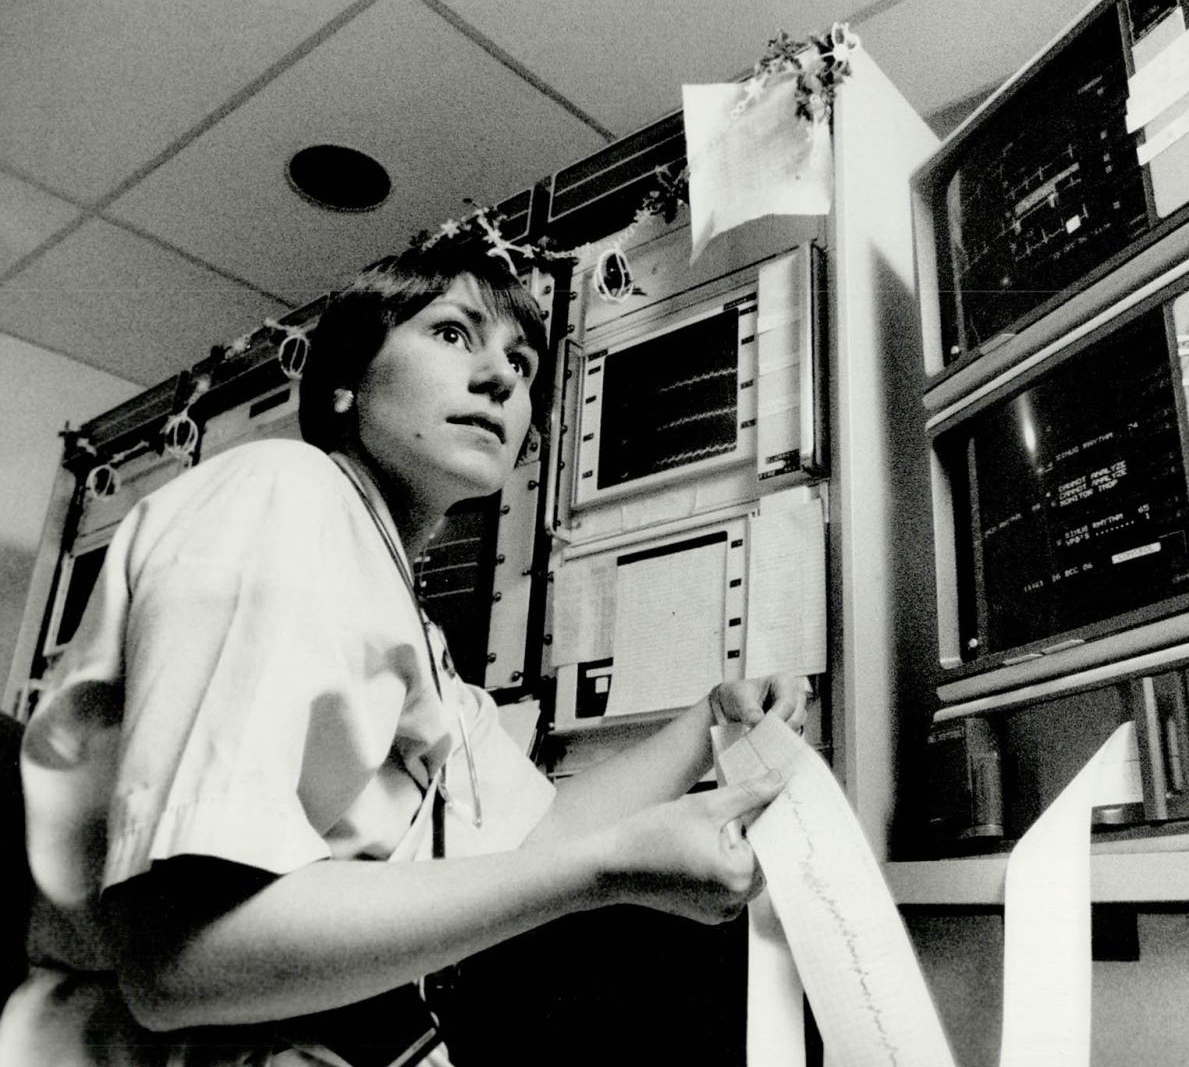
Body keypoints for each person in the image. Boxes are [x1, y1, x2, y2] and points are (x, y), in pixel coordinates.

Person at [0, 231, 806, 1066]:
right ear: (345, 384)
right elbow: (180, 967)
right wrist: (606, 872)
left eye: (523, 363)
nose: (500, 376)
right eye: (452, 333)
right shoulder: (282, 497)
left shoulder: (420, 642)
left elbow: (540, 835)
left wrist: (710, 722)